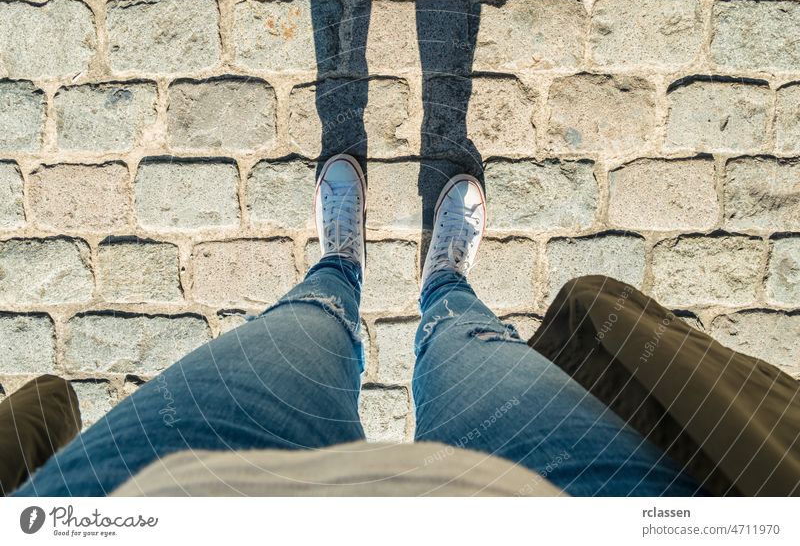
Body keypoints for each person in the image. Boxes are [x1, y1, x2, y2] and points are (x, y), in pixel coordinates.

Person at [8, 155, 797, 497]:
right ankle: (445, 283)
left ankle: (339, 268)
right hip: (603, 509)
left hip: (135, 509)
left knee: (304, 332)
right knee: (471, 347)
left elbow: (42, 409)